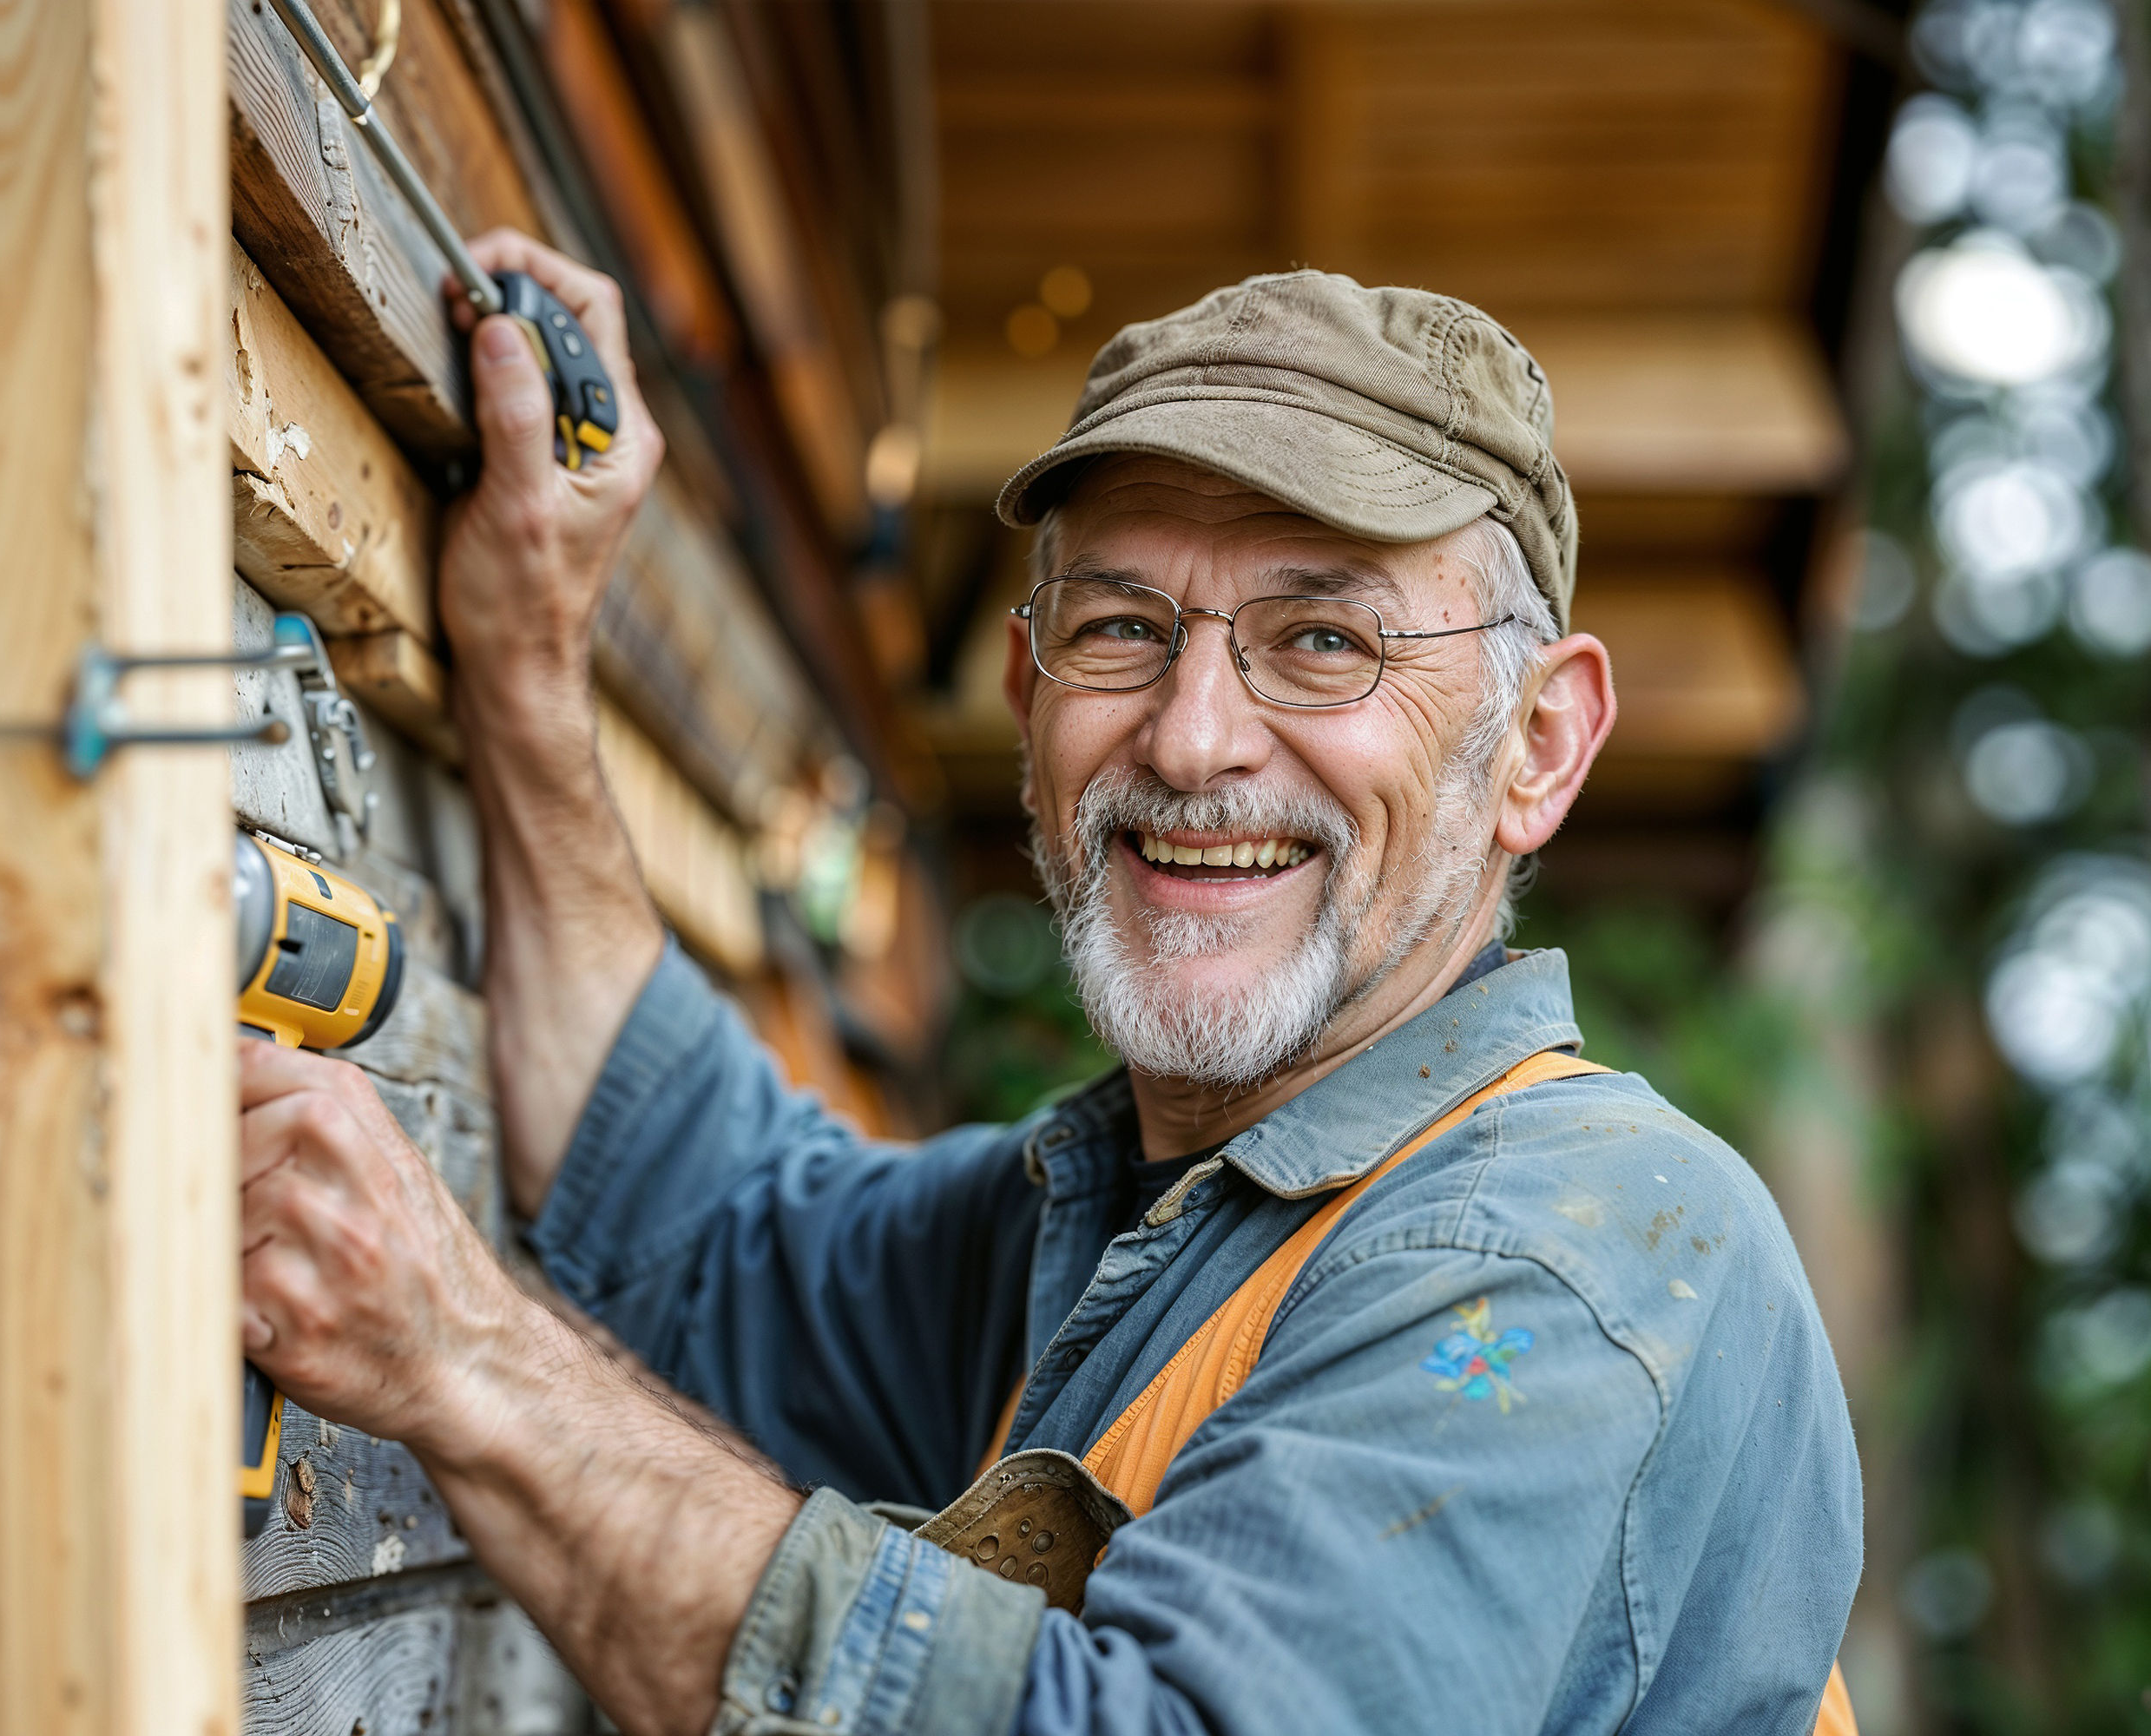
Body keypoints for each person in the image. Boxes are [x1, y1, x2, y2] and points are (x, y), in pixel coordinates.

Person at [235, 233, 1865, 1736]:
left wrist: (462, 1357)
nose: (1192, 735)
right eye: (1123, 629)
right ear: (1029, 694)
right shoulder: (1135, 1234)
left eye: (1323, 641)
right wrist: (527, 663)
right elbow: (698, 1216)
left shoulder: (1555, 1259)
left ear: (1539, 745)